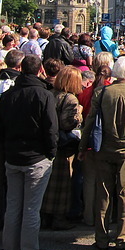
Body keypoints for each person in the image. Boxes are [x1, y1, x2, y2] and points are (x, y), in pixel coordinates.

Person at [79, 56, 125, 250]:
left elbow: (90, 122)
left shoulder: (102, 92)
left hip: (104, 149)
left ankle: (101, 238)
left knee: (104, 195)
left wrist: (83, 147)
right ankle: (122, 238)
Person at [0, 53, 58, 250]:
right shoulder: (44, 95)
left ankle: (10, 249)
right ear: (40, 70)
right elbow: (50, 129)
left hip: (13, 156)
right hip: (37, 158)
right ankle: (29, 249)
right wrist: (51, 152)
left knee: (13, 208)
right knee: (31, 210)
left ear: (20, 69)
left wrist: (6, 148)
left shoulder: (7, 95)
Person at [41, 66, 83, 230]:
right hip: (63, 145)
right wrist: (78, 115)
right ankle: (59, 218)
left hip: (48, 143)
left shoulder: (50, 94)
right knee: (62, 184)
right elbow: (67, 123)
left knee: (48, 184)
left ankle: (45, 217)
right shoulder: (70, 99)